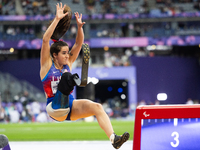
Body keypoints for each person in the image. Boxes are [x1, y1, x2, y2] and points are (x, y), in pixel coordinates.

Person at [40, 2, 129, 149]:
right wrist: (56, 19)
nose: (68, 55)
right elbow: (45, 40)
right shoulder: (46, 66)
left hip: (69, 107)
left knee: (97, 107)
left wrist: (80, 28)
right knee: (67, 77)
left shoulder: (68, 63)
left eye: (68, 52)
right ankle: (74, 80)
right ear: (54, 55)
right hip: (54, 107)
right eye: (64, 53)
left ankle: (114, 139)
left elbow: (79, 43)